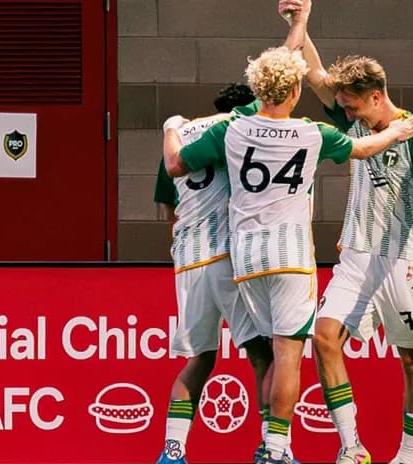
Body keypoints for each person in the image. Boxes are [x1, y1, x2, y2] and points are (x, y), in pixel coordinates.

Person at [163, 5, 413, 463]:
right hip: (288, 256)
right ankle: (276, 448)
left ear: (258, 87)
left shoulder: (232, 127)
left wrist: (171, 129)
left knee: (250, 353)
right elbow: (364, 148)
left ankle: (189, 448)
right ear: (293, 89)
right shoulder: (312, 132)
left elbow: (176, 166)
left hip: (243, 258)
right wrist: (401, 129)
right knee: (287, 353)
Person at [277, 1, 413, 463]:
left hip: (402, 262)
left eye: (350, 103)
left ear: (376, 95)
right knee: (324, 337)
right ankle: (352, 448)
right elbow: (316, 77)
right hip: (355, 255)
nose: (345, 111)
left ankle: (407, 457)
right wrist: (302, 24)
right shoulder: (354, 119)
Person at [152, 83, 276, 464]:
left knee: (200, 358)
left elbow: (164, 211)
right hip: (227, 256)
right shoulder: (238, 129)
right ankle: (272, 448)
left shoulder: (180, 134)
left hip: (187, 260)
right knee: (264, 356)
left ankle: (172, 452)